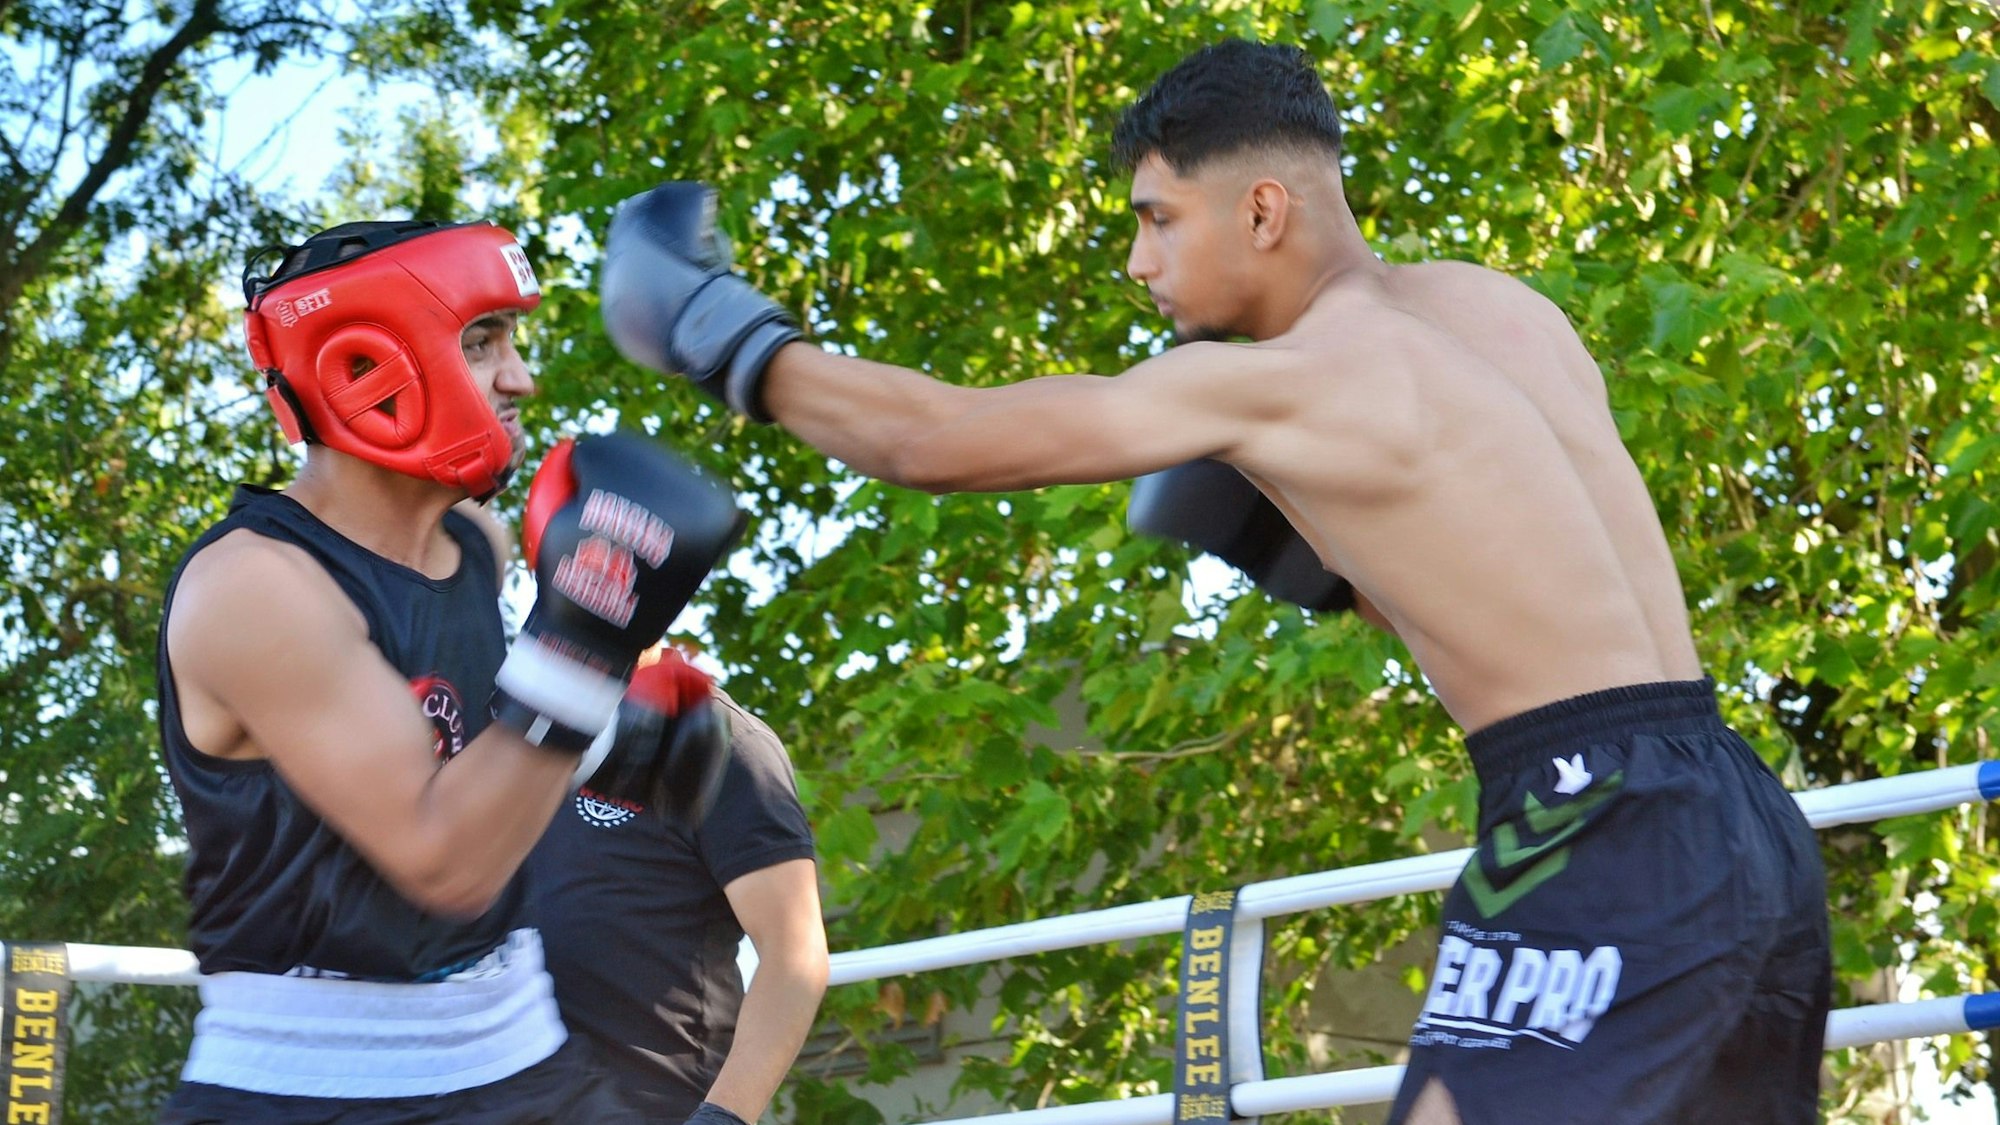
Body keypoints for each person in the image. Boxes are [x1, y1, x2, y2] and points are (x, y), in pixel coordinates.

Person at [593, 37, 1833, 1125]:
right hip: (1736, 810)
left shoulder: (1294, 377)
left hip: (1589, 817)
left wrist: (720, 331)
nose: (1138, 262)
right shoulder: (1496, 313)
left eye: (1155, 218)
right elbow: (1511, 568)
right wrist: (1312, 559)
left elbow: (931, 441)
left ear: (1258, 211)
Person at [155, 217, 742, 1123]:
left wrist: (613, 750)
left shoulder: (476, 543)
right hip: (312, 1090)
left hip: (518, 1052)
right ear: (365, 365)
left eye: (513, 339)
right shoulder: (256, 588)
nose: (521, 377)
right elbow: (443, 860)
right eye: (482, 341)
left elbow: (468, 748)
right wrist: (586, 647)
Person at [529, 670, 827, 1125]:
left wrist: (723, 1117)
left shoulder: (721, 740)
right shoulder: (505, 724)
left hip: (660, 1106)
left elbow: (796, 952)